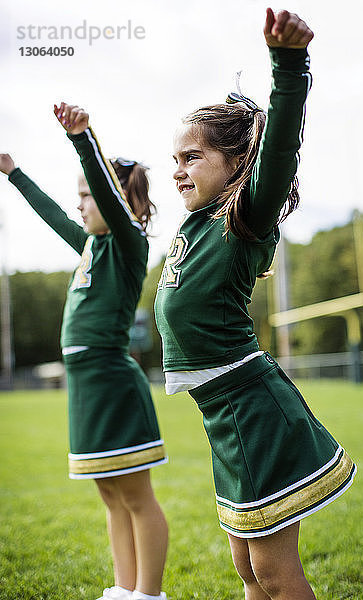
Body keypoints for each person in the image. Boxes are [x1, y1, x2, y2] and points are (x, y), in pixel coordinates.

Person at [155, 8, 356, 600]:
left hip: (253, 410)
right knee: (246, 570)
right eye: (175, 160)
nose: (178, 169)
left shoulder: (243, 218)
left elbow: (279, 149)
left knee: (271, 570)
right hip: (221, 416)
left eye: (192, 157)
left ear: (237, 161)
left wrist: (288, 65)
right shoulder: (192, 226)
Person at [0, 104, 168, 600]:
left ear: (114, 199)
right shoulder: (90, 246)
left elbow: (109, 199)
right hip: (85, 386)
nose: (79, 206)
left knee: (136, 496)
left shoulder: (127, 242)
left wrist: (81, 138)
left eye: (87, 197)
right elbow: (52, 213)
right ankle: (123, 589)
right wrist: (14, 174)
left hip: (114, 382)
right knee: (110, 495)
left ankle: (149, 594)